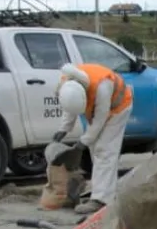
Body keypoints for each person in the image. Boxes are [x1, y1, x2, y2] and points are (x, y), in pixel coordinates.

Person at [53, 62, 132, 216]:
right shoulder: (68, 83)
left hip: (118, 108)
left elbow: (100, 120)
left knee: (104, 151)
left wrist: (82, 142)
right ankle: (105, 191)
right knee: (95, 150)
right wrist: (64, 129)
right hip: (97, 111)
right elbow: (70, 108)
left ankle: (101, 200)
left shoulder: (103, 86)